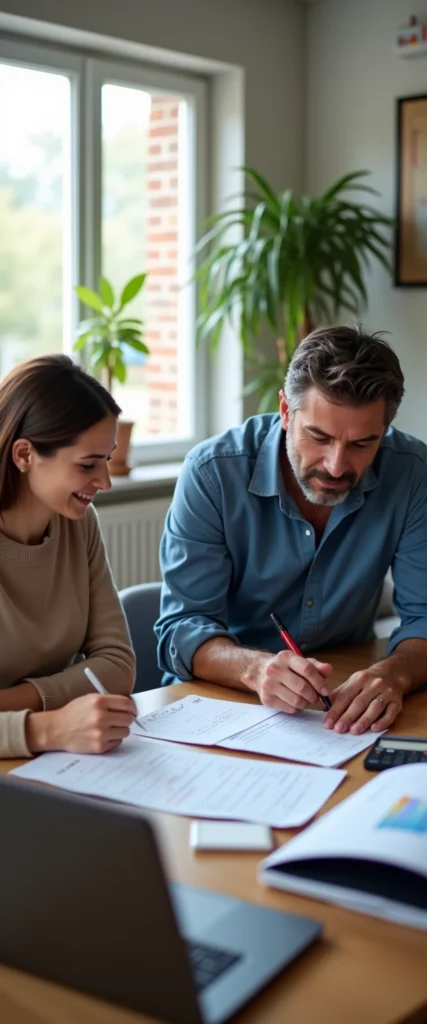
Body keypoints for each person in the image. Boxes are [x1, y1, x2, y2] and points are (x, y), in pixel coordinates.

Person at [155, 324, 427, 735]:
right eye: (319, 436)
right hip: (218, 705)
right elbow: (182, 628)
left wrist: (394, 675)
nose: (336, 466)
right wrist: (254, 668)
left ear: (385, 429)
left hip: (335, 705)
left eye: (361, 444)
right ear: (285, 411)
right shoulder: (212, 473)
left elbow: (423, 619)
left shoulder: (412, 473)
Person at [0, 354, 136, 759]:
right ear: (25, 455)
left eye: (107, 459)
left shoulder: (78, 523)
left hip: (59, 767)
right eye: (88, 464)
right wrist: (48, 727)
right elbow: (97, 678)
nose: (105, 482)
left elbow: (117, 664)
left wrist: (17, 702)